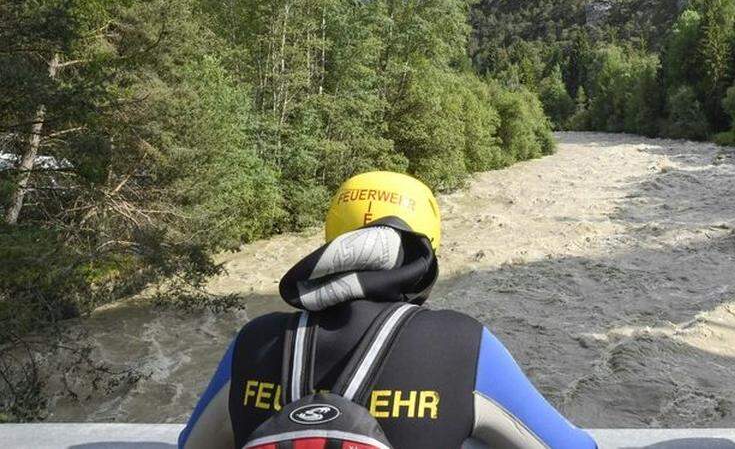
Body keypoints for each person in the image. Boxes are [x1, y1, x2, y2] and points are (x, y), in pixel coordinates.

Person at [179, 171, 596, 449]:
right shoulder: (463, 346)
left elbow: (190, 445)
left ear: (331, 241)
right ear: (426, 251)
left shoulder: (255, 340)